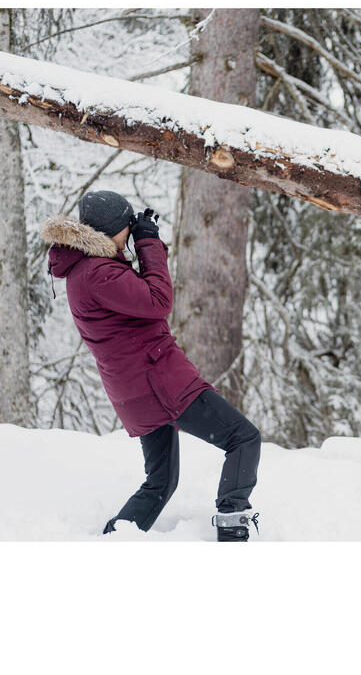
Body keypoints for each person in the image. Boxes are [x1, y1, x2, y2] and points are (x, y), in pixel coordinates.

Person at [42, 191, 261, 541]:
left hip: (138, 390)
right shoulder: (97, 273)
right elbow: (158, 300)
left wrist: (147, 244)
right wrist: (148, 244)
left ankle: (113, 541)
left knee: (161, 482)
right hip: (161, 383)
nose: (130, 232)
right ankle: (233, 528)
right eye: (127, 227)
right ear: (110, 230)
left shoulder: (87, 268)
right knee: (244, 439)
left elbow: (141, 297)